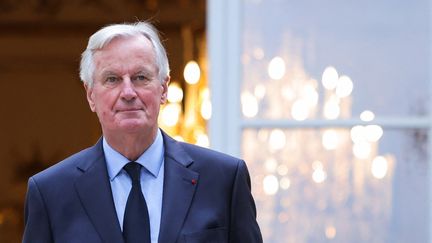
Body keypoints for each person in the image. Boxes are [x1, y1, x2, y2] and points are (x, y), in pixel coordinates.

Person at [22, 21, 263, 243]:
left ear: (164, 89)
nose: (128, 92)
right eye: (112, 79)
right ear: (90, 95)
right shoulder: (50, 193)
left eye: (140, 77)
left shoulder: (223, 180)